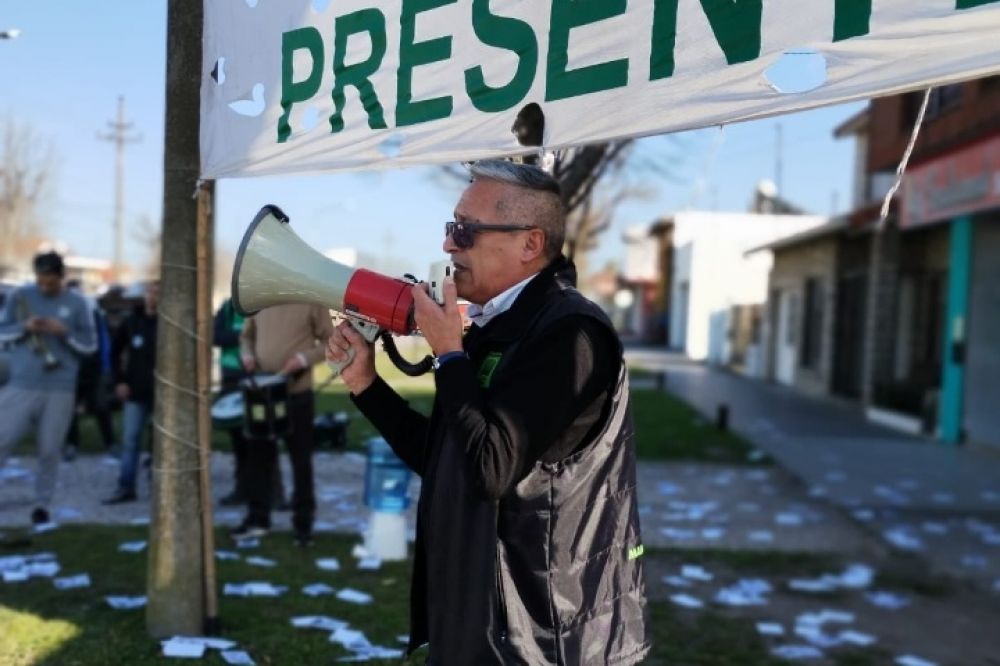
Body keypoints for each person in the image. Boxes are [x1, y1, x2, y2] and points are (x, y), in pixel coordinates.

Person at [326, 160, 650, 664]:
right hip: (487, 614)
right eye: (451, 228)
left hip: (547, 630)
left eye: (465, 231)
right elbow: (448, 456)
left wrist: (450, 354)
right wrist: (367, 385)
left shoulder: (572, 336)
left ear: (530, 243)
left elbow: (488, 468)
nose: (449, 246)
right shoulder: (501, 325)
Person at [0, 251, 96, 525]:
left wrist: (63, 332)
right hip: (20, 383)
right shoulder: (20, 297)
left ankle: (42, 504)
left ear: (62, 278)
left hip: (60, 387)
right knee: (2, 439)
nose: (45, 287)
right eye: (41, 281)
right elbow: (2, 332)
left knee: (49, 449)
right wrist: (24, 327)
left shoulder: (78, 304)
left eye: (51, 282)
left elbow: (90, 347)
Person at [232, 303, 334, 545]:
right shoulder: (261, 298)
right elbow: (246, 337)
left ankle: (303, 524)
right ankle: (258, 519)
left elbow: (331, 341)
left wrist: (303, 359)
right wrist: (247, 354)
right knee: (258, 458)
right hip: (261, 391)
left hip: (297, 395)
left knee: (301, 461)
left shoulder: (311, 299)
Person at [102, 281, 159, 504]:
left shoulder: (168, 324)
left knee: (160, 441)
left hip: (162, 392)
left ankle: (159, 486)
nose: (153, 297)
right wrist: (119, 381)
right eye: (150, 292)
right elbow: (115, 353)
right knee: (130, 440)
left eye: (158, 293)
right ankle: (126, 486)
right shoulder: (132, 322)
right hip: (135, 390)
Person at [63, 279, 116, 461]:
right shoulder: (63, 316)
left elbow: (103, 341)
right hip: (71, 370)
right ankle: (72, 444)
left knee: (101, 406)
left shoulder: (93, 314)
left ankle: (110, 443)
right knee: (69, 410)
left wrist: (106, 366)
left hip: (94, 369)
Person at [213, 297, 249, 504]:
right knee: (238, 439)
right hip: (231, 377)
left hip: (256, 376)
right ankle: (241, 489)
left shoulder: (262, 305)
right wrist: (243, 336)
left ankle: (270, 492)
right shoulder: (227, 308)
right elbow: (216, 336)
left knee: (259, 439)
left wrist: (238, 336)